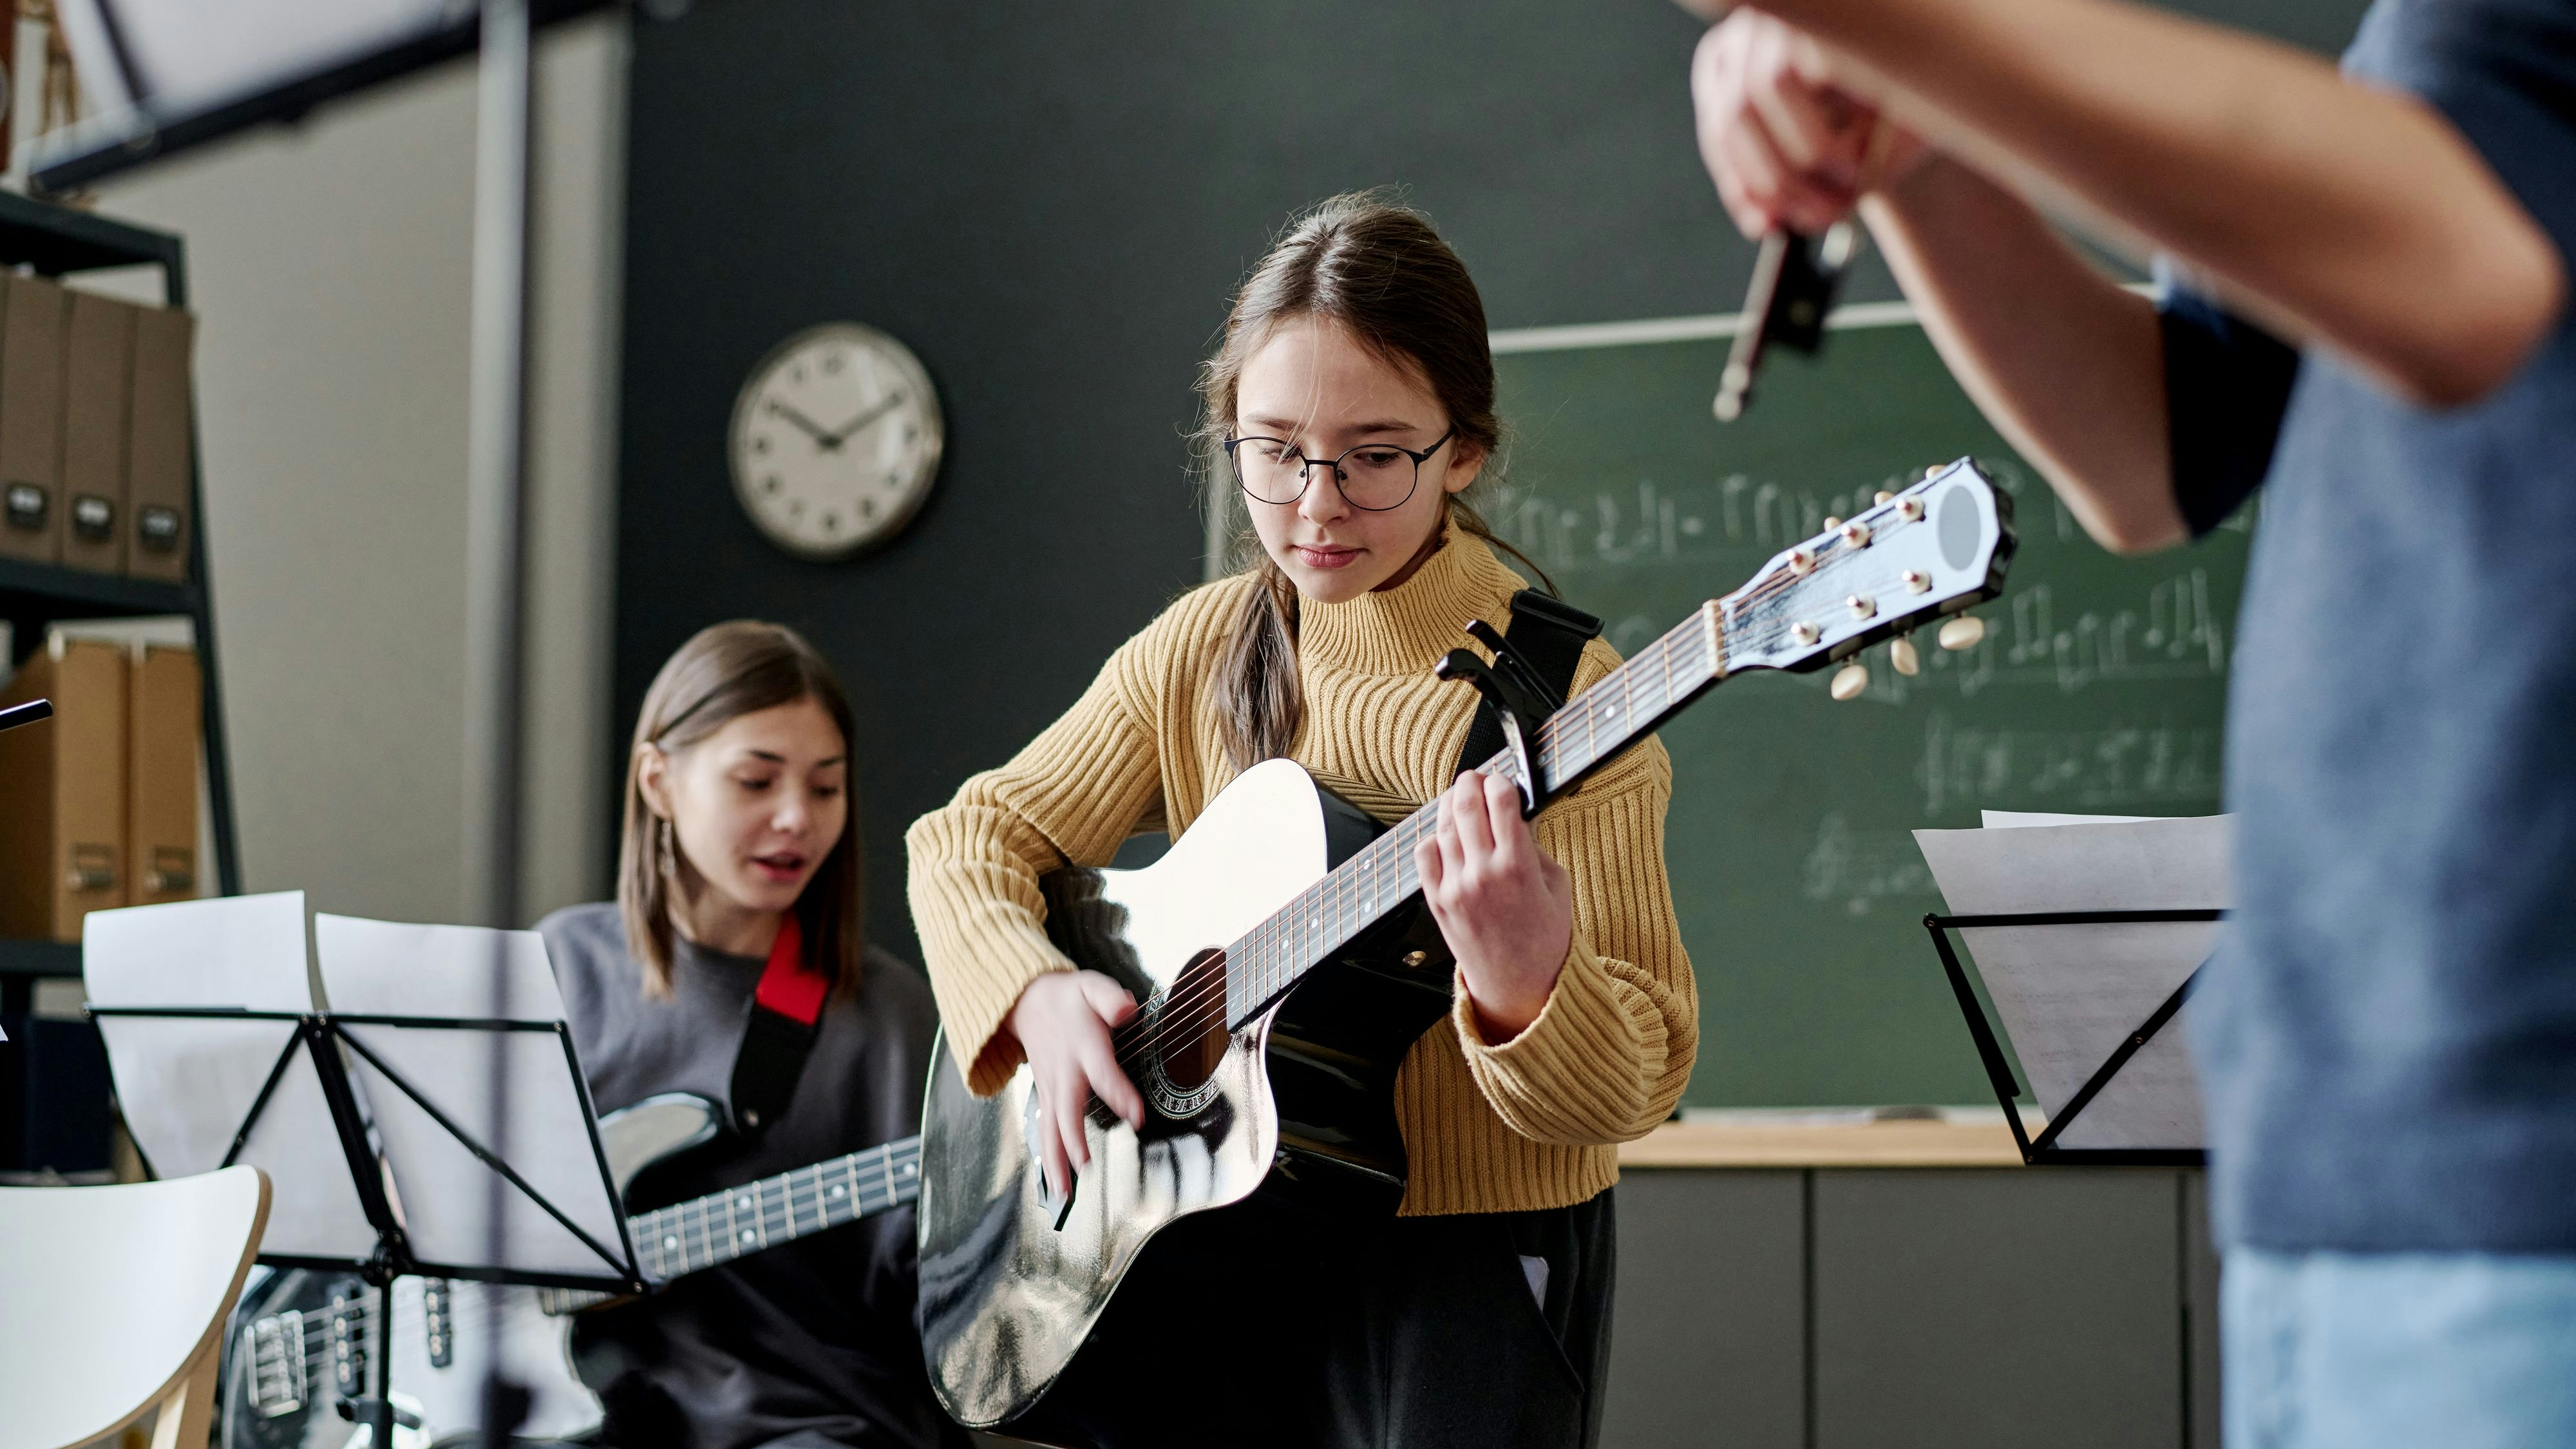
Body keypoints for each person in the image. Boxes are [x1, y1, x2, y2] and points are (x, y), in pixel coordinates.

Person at [1685, 0, 2574, 1443]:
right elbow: (2155, 453)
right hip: (2344, 1147)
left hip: (2516, 1145)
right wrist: (1913, 153)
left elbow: (2467, 283)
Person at [905, 194, 1696, 1449]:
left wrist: (1526, 987)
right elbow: (962, 839)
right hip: (1206, 1249)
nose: (1315, 504)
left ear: (1466, 448)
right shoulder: (1208, 644)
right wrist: (1035, 996)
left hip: (1466, 1273)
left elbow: (1640, 1077)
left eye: (1375, 455)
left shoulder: (1566, 700)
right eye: (1271, 450)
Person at [538, 621, 969, 1449]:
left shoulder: (890, 1018)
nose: (795, 820)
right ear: (658, 782)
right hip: (589, 1417)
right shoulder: (561, 963)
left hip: (817, 1424)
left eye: (824, 788)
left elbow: (940, 1308)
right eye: (756, 781)